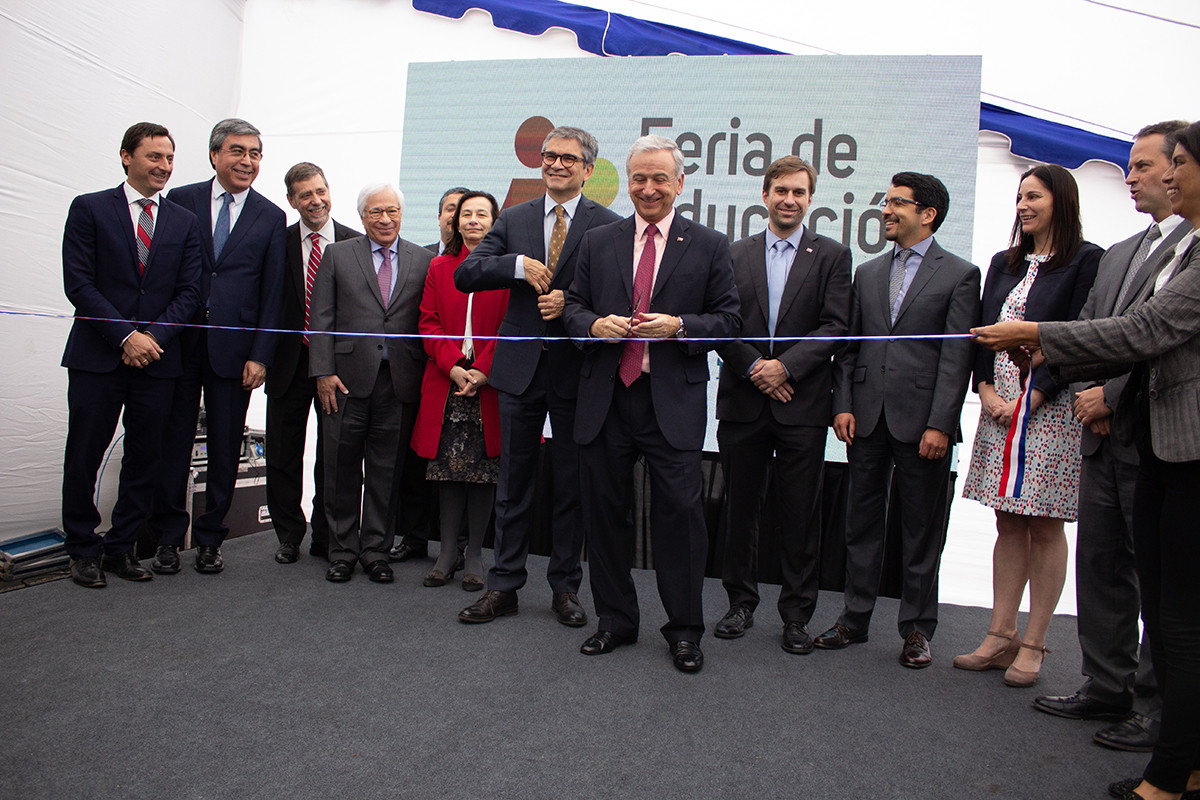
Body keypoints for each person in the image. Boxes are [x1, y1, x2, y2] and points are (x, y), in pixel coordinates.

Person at [971, 119, 1200, 800]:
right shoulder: (1155, 250)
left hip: (1178, 444)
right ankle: (1173, 748)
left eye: (1175, 162)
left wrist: (1039, 340)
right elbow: (1116, 333)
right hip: (1142, 438)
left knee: (1180, 615)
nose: (1160, 175)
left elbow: (1148, 331)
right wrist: (1039, 353)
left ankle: (1169, 766)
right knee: (1153, 597)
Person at [1032, 121, 1191, 751]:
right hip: (1097, 434)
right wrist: (1081, 394)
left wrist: (1111, 394)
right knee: (1100, 564)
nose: (1134, 177)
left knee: (1158, 576)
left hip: (1155, 436)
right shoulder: (1121, 250)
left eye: (1147, 165)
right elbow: (1092, 328)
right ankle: (1106, 683)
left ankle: (1156, 704)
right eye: (1131, 166)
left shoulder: (1195, 253)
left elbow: (1154, 339)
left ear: (1179, 169)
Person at [562, 134, 741, 673]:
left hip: (671, 407)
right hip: (606, 401)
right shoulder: (598, 240)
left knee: (681, 521)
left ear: (680, 183)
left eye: (659, 178)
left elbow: (730, 322)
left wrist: (682, 326)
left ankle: (685, 631)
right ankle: (614, 620)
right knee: (604, 516)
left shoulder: (708, 245)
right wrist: (592, 324)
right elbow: (571, 308)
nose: (647, 188)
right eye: (639, 177)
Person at [454, 126, 620, 627]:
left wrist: (571, 302)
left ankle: (566, 589)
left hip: (577, 371)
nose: (557, 164)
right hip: (519, 372)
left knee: (571, 485)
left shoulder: (608, 224)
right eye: (550, 156)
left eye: (569, 158)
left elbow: (617, 300)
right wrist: (518, 266)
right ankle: (503, 586)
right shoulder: (514, 218)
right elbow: (467, 275)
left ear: (588, 169)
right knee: (513, 484)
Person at [821, 172, 981, 668]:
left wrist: (940, 423)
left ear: (927, 213)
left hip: (923, 426)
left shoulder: (959, 274)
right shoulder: (867, 273)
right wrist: (842, 404)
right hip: (865, 418)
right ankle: (855, 618)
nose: (886, 211)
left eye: (896, 204)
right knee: (860, 525)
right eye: (885, 202)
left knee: (920, 530)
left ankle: (916, 629)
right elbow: (848, 347)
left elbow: (957, 359)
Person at [958, 164, 1103, 686]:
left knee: (1043, 523)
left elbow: (1084, 337)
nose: (1023, 205)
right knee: (1007, 520)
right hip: (1001, 409)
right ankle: (1000, 635)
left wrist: (1036, 394)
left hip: (1051, 409)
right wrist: (988, 391)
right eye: (1019, 197)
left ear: (1061, 201)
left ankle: (1036, 641)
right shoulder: (1005, 262)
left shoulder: (1088, 261)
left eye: (1034, 196)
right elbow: (982, 335)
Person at [713, 156, 852, 654]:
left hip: (804, 405)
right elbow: (720, 323)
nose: (789, 199)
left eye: (799, 192)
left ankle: (796, 616)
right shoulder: (732, 253)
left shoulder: (833, 255)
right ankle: (739, 604)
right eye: (781, 191)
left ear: (811, 199)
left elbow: (837, 326)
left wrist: (785, 367)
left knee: (800, 515)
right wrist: (757, 369)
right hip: (743, 402)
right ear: (765, 195)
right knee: (740, 511)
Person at [60, 122, 202, 588]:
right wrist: (125, 336)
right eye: (154, 157)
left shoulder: (183, 221)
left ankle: (121, 548)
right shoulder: (89, 208)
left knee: (146, 458)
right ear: (126, 157)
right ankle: (82, 549)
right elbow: (79, 284)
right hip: (98, 357)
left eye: (169, 159)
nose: (163, 166)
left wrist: (151, 337)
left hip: (158, 360)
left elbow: (189, 292)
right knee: (84, 454)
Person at [150, 118, 286, 574]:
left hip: (236, 353)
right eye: (237, 151)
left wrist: (261, 354)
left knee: (227, 448)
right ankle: (169, 538)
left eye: (255, 154)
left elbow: (273, 295)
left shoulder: (271, 216)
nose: (247, 161)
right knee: (174, 443)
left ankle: (211, 539)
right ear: (214, 155)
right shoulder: (181, 200)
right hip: (179, 344)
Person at [308, 183, 431, 583]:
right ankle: (342, 550)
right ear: (362, 217)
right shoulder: (338, 254)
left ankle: (375, 550)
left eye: (392, 211)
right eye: (376, 212)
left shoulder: (423, 259)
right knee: (341, 468)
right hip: (343, 382)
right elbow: (321, 319)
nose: (385, 219)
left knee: (386, 470)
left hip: (398, 382)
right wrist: (323, 372)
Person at [411, 191, 509, 590]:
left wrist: (482, 370)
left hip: (489, 383)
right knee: (447, 471)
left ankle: (474, 556)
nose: (472, 221)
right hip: (446, 378)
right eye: (465, 214)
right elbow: (427, 322)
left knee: (482, 474)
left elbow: (511, 328)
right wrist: (453, 366)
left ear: (494, 221)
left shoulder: (506, 270)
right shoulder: (438, 266)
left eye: (481, 214)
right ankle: (447, 552)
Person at [266, 162, 360, 565]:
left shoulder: (355, 243)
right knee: (284, 455)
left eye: (320, 191)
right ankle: (288, 535)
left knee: (335, 457)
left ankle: (328, 536)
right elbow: (265, 303)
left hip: (337, 368)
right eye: (305, 195)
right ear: (292, 201)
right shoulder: (277, 242)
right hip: (287, 364)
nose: (316, 200)